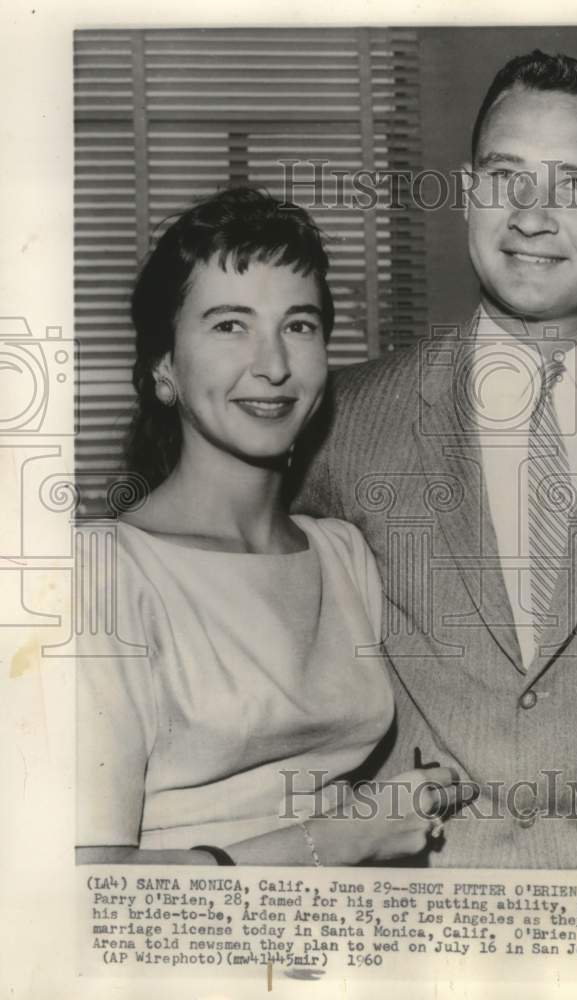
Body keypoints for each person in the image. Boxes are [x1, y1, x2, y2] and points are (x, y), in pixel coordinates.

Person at [294, 51, 577, 870]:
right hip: (421, 939)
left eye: (576, 186)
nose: (530, 216)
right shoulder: (342, 419)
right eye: (506, 179)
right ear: (469, 195)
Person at [76, 186, 463, 866]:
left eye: (299, 325)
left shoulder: (343, 554)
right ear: (164, 367)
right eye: (229, 325)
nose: (274, 365)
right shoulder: (102, 574)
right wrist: (347, 837)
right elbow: (89, 889)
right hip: (183, 964)